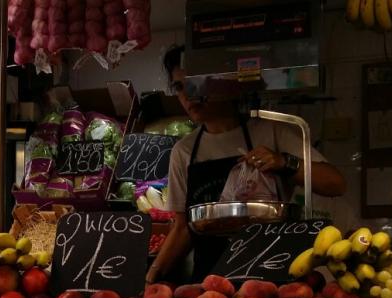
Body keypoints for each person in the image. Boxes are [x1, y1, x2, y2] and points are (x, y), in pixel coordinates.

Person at [146, 46, 347, 283]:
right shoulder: (184, 151)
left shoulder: (271, 132)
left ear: (224, 82)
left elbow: (336, 184)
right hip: (209, 285)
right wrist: (151, 277)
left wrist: (285, 163)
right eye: (179, 87)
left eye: (194, 83)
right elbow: (182, 229)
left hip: (271, 277)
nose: (187, 95)